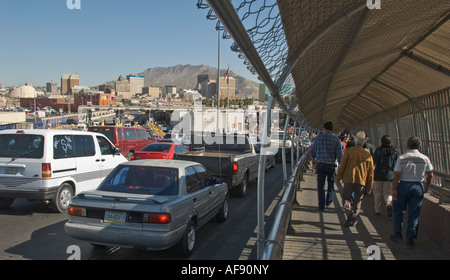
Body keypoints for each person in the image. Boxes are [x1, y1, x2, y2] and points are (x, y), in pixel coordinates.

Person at [391, 136, 433, 247]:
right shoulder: (425, 158)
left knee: (398, 209)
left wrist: (394, 188)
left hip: (404, 185)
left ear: (407, 146)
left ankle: (397, 232)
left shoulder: (402, 158)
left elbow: (397, 175)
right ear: (419, 146)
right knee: (414, 213)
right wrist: (426, 185)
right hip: (418, 186)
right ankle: (410, 238)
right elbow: (430, 174)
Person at [336, 131, 374, 227]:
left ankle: (350, 214)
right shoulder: (368, 155)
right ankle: (354, 220)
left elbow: (342, 166)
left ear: (355, 141)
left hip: (349, 178)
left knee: (345, 199)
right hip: (362, 180)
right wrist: (369, 186)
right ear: (364, 142)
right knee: (358, 201)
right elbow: (371, 173)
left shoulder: (349, 151)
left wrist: (338, 177)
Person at [310, 121, 342, 211]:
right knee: (331, 183)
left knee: (321, 185)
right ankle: (329, 201)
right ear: (331, 129)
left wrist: (313, 160)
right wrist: (340, 164)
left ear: (324, 128)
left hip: (320, 164)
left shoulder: (318, 138)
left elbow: (313, 151)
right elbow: (339, 154)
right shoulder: (336, 139)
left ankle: (321, 205)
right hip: (331, 165)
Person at [372, 135, 398, 217]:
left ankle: (377, 210)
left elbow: (374, 163)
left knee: (377, 193)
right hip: (390, 176)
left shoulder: (378, 151)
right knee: (388, 193)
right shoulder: (394, 152)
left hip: (378, 175)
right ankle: (389, 205)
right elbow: (396, 164)